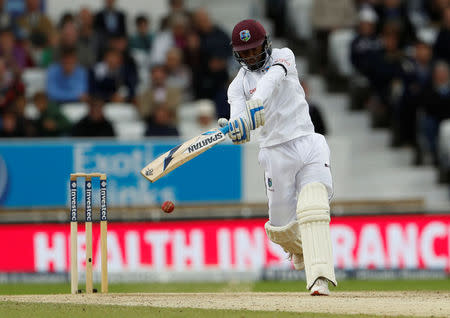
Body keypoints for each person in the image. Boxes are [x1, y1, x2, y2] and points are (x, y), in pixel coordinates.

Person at [224, 19, 336, 295]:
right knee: (279, 228)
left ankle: (320, 278)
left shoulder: (285, 56)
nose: (251, 56)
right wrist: (237, 128)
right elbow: (240, 122)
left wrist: (255, 105)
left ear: (266, 43)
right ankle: (297, 248)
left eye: (255, 48)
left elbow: (272, 80)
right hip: (274, 154)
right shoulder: (236, 87)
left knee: (314, 204)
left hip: (308, 143)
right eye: (245, 52)